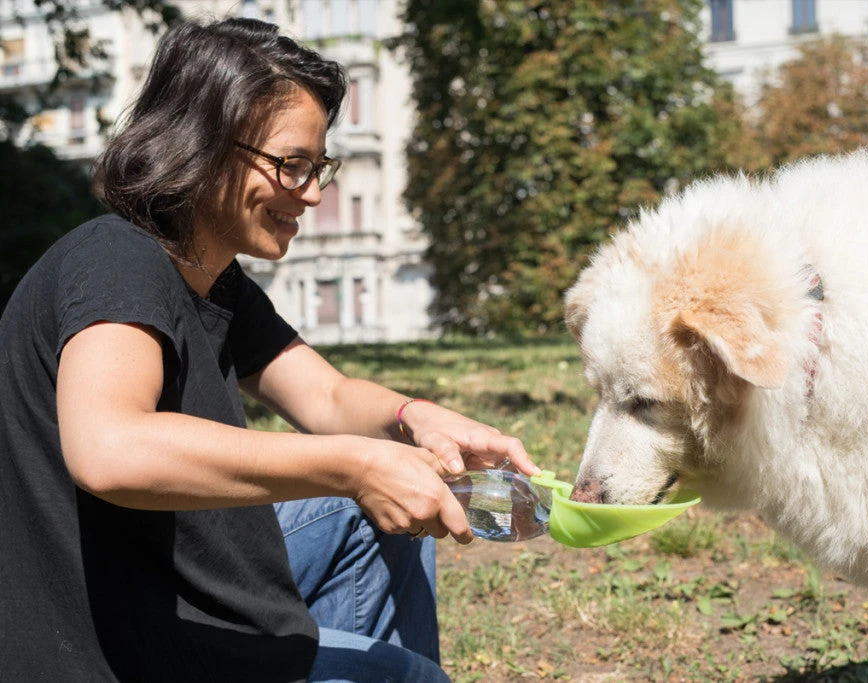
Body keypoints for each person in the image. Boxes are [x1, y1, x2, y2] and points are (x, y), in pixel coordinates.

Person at [0, 16, 538, 683]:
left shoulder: (211, 274)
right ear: (202, 142)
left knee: (360, 516)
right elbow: (111, 450)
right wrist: (355, 463)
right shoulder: (115, 262)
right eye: (291, 165)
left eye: (318, 167)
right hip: (103, 645)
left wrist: (415, 419)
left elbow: (326, 396)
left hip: (155, 586)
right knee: (409, 674)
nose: (312, 193)